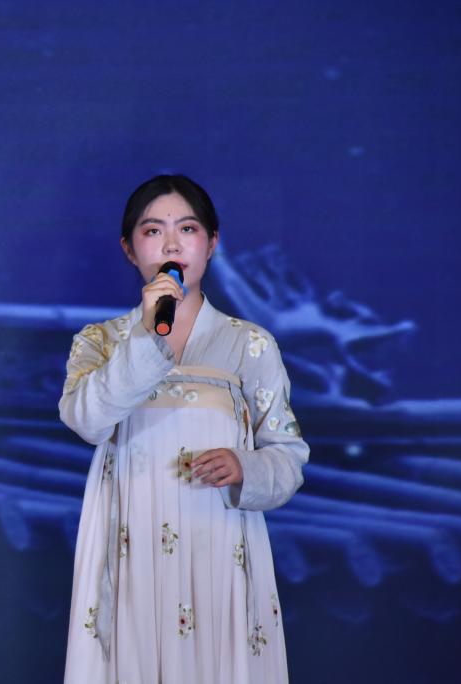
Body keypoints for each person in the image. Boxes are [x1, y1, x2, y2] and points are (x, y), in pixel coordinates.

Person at [59, 174, 308, 683]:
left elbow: (287, 455)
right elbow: (86, 421)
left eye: (188, 229)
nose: (172, 245)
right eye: (153, 231)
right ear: (129, 249)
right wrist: (148, 338)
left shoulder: (250, 345)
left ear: (212, 243)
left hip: (218, 544)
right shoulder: (100, 342)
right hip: (130, 545)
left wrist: (245, 466)